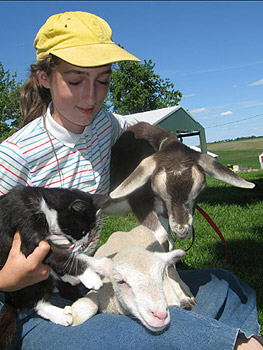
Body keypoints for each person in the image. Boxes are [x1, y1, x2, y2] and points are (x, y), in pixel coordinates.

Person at [0, 11, 261, 350]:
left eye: (103, 80)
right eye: (76, 81)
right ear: (45, 78)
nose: (92, 97)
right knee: (164, 331)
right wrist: (7, 279)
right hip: (26, 305)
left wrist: (184, 158)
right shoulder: (15, 154)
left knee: (225, 287)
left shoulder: (103, 126)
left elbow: (144, 133)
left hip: (84, 281)